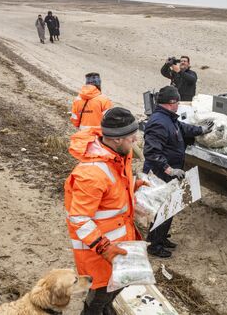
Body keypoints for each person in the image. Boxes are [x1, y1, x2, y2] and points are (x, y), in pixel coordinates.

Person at [65, 107, 149, 315]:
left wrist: (134, 186)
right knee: (100, 293)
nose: (136, 141)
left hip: (120, 242)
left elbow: (113, 190)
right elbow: (79, 218)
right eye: (132, 137)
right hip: (100, 252)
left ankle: (106, 308)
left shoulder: (119, 155)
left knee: (116, 287)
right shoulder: (92, 173)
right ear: (117, 139)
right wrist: (105, 248)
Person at [142, 86, 213, 257]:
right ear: (171, 102)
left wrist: (200, 130)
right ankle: (154, 245)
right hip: (161, 174)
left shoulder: (169, 118)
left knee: (170, 207)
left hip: (170, 172)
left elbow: (182, 128)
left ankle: (161, 238)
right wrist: (169, 169)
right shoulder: (159, 122)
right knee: (162, 208)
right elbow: (151, 152)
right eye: (178, 102)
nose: (179, 105)